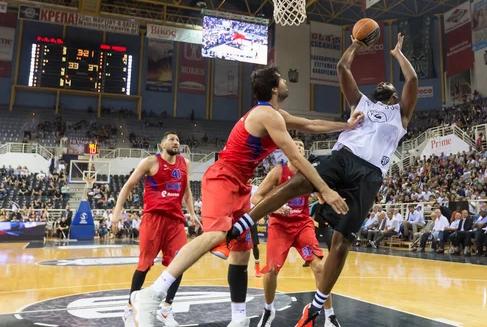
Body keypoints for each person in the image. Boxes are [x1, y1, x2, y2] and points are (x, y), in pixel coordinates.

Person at [130, 66, 363, 327]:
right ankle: (152, 294)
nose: (286, 82)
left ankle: (239, 319)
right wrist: (325, 189)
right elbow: (297, 157)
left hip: (239, 182)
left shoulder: (275, 114)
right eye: (282, 80)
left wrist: (348, 125)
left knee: (241, 251)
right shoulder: (267, 115)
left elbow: (311, 124)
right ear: (275, 88)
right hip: (223, 176)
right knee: (217, 235)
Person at [226, 33, 418, 327]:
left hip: (369, 176)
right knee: (298, 183)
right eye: (377, 83)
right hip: (343, 157)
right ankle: (246, 223)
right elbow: (343, 69)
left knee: (342, 244)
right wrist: (355, 43)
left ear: (393, 94)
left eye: (385, 85)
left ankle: (316, 307)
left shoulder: (401, 114)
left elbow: (413, 80)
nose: (379, 84)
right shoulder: (361, 102)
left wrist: (397, 54)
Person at [113, 132, 200, 327]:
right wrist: (117, 213)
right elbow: (128, 186)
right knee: (144, 265)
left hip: (175, 222)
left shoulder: (185, 163)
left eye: (178, 139)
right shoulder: (151, 162)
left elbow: (186, 192)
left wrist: (192, 214)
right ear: (162, 144)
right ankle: (129, 308)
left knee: (180, 263)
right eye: (171, 139)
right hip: (153, 219)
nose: (175, 141)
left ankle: (166, 310)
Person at [254, 139, 340, 327]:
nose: (299, 148)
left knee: (319, 267)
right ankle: (269, 310)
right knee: (271, 270)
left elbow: (322, 194)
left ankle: (329, 316)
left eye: (302, 146)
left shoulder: (310, 172)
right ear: (287, 149)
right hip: (280, 226)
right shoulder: (278, 171)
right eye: (295, 145)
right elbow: (256, 197)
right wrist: (275, 208)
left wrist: (327, 197)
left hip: (302, 225)